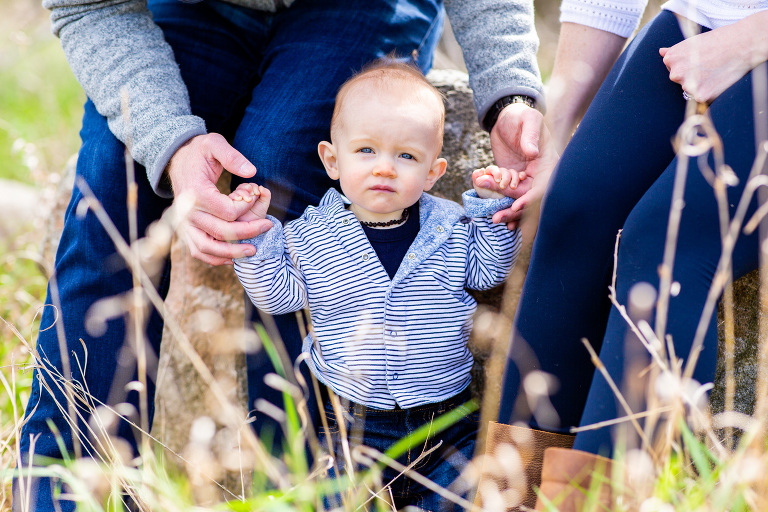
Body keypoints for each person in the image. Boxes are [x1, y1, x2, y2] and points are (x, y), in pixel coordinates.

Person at [16, 0, 551, 510]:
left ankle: (290, 476)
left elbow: (487, 258)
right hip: (184, 10)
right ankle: (67, 491)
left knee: (277, 167)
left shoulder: (443, 230)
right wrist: (171, 144)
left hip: (363, 8)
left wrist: (508, 93)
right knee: (110, 201)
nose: (384, 168)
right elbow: (88, 7)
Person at [481, 0, 768, 508]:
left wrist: (748, 41)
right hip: (696, 23)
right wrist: (557, 136)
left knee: (664, 245)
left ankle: (604, 504)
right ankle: (510, 498)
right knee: (572, 212)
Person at [231, 60, 524, 511]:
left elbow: (487, 272)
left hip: (447, 423)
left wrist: (492, 209)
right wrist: (256, 235)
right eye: (366, 151)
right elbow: (278, 296)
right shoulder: (310, 235)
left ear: (433, 171)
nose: (385, 168)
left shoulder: (451, 225)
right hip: (350, 428)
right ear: (332, 160)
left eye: (406, 156)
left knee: (472, 499)